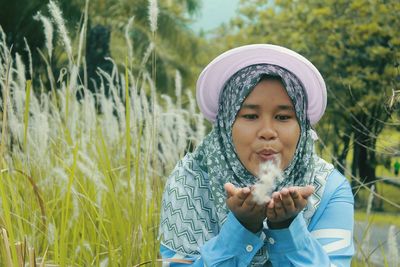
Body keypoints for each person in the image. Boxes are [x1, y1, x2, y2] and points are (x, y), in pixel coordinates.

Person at [159, 44, 354, 266]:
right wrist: (241, 227)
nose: (268, 132)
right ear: (226, 124)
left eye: (283, 117)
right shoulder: (190, 180)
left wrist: (287, 228)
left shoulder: (328, 188)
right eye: (251, 116)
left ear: (302, 125)